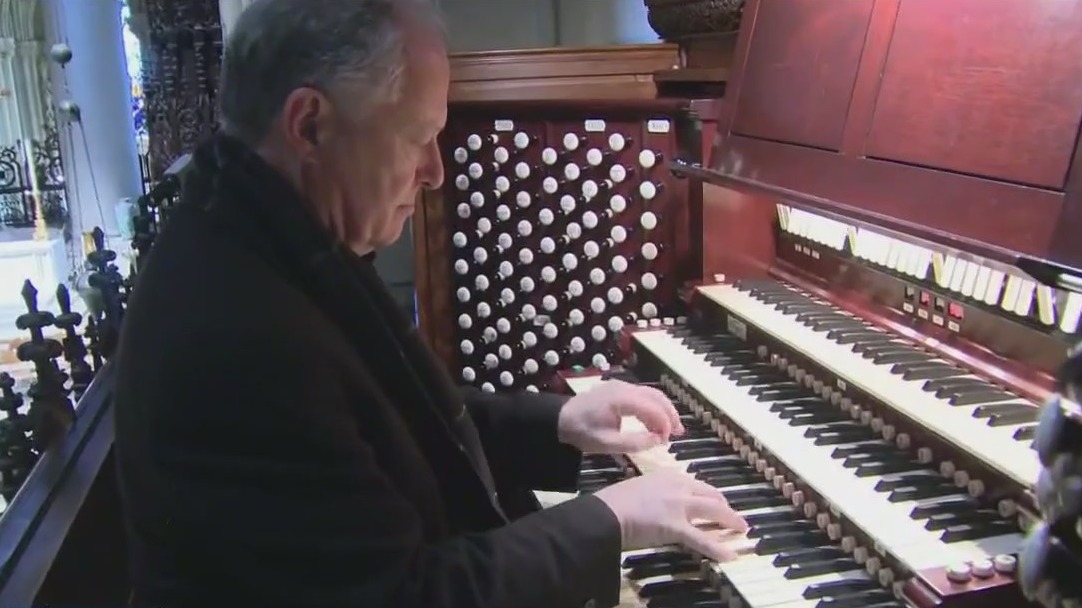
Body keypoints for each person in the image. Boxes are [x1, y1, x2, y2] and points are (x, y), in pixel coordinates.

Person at [112, 0, 746, 607]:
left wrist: (560, 424)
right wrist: (610, 519)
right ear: (308, 124)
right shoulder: (239, 329)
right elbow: (400, 597)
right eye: (419, 136)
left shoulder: (265, 228)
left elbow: (384, 417)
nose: (437, 171)